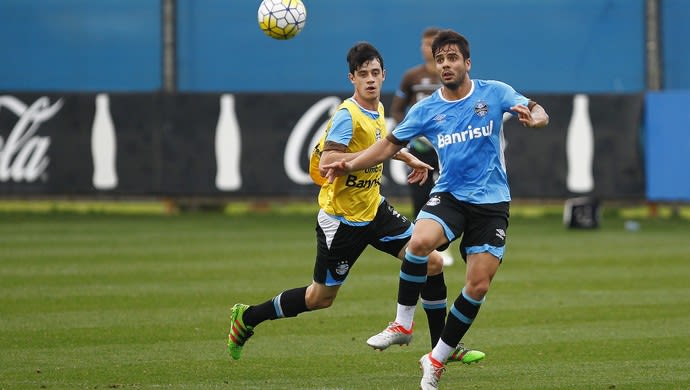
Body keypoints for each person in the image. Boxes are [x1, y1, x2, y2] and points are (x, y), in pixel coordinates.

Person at [226, 41, 484, 365]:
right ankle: (248, 317)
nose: (371, 80)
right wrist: (367, 160)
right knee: (319, 298)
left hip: (374, 209)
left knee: (430, 261)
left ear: (383, 74)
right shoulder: (348, 115)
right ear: (352, 79)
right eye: (363, 75)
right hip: (342, 221)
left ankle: (442, 349)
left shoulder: (376, 109)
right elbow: (328, 161)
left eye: (375, 73)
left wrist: (408, 157)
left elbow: (379, 145)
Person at [322, 30, 549, 389]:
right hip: (451, 195)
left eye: (452, 58)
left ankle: (436, 358)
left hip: (491, 203)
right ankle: (402, 323)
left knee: (477, 284)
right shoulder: (426, 109)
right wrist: (348, 165)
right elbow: (385, 147)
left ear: (467, 63)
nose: (445, 65)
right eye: (440, 59)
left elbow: (535, 108)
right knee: (419, 243)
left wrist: (536, 118)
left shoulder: (494, 92)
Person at [390, 27, 455, 267]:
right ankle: (424, 245)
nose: (428, 48)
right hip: (421, 147)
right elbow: (397, 107)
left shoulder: (450, 74)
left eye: (433, 44)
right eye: (425, 44)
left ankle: (444, 243)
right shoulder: (412, 77)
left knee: (449, 194)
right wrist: (407, 130)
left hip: (448, 146)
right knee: (420, 195)